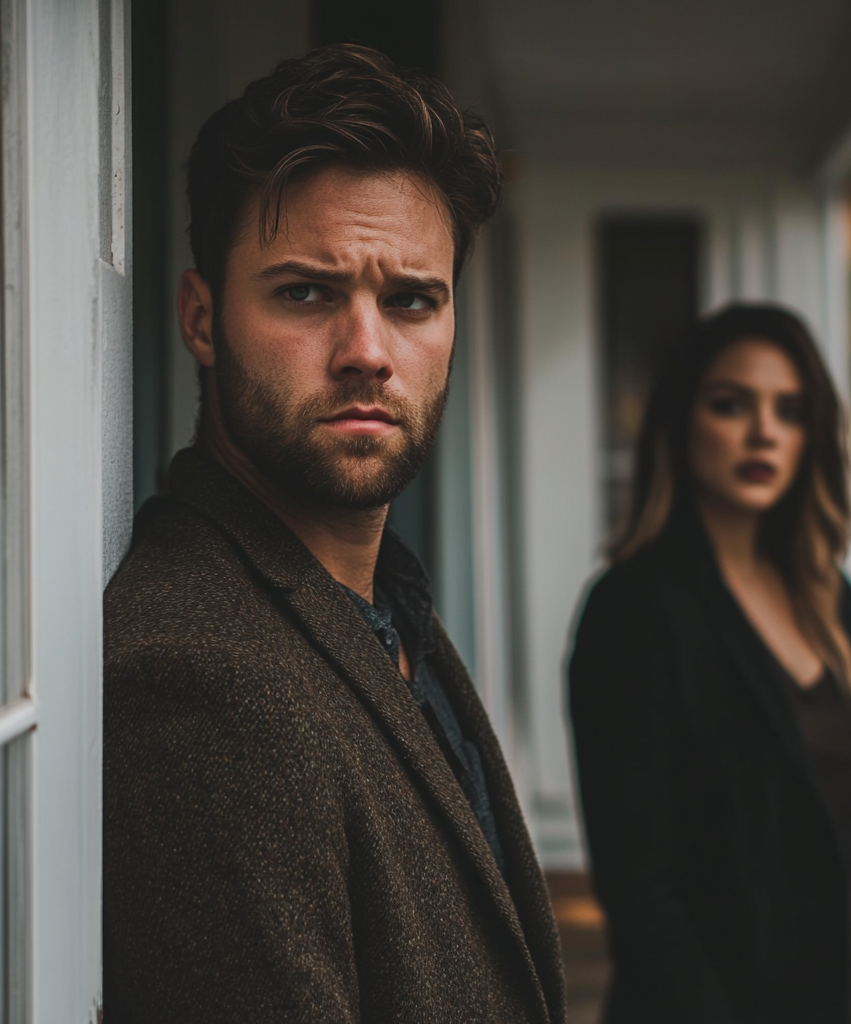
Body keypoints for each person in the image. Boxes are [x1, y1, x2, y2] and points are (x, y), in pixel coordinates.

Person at [104, 45, 564, 1024]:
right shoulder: (201, 681)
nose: (367, 353)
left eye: (410, 301)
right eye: (306, 292)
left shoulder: (382, 606)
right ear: (200, 318)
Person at [569, 304, 851, 1024]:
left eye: (790, 411)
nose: (764, 432)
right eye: (731, 405)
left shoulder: (831, 599)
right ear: (682, 422)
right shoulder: (633, 610)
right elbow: (640, 891)